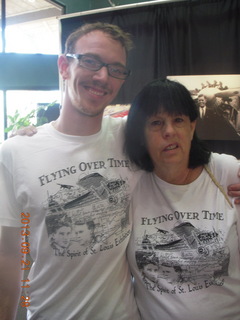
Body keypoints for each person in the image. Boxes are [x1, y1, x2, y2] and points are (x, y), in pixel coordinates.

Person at [0, 22, 141, 320]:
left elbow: (185, 160)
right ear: (64, 66)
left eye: (116, 69)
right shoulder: (15, 152)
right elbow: (10, 256)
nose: (103, 76)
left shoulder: (132, 137)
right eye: (91, 61)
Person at [124, 78, 240, 320]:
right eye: (156, 123)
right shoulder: (132, 183)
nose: (169, 131)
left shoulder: (225, 171)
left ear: (192, 126)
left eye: (178, 120)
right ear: (141, 135)